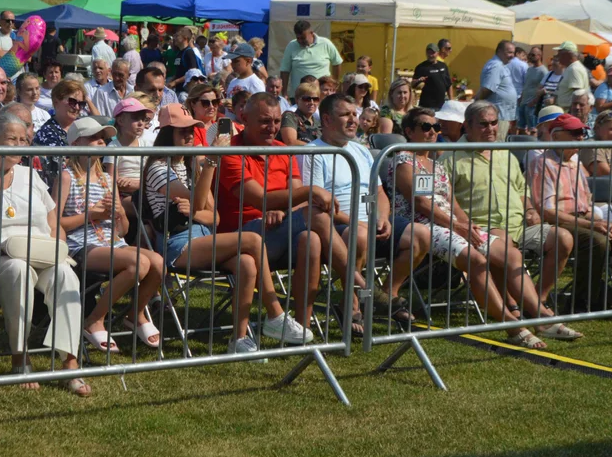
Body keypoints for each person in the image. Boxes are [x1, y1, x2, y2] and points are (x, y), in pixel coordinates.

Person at [0, 113, 89, 394]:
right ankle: (19, 355)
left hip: (39, 251)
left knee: (65, 275)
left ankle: (70, 362)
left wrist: (57, 244)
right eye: (11, 139)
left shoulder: (31, 175)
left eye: (23, 140)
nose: (19, 145)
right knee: (18, 271)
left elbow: (53, 223)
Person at [388, 107, 548, 348]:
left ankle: (540, 314)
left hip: (449, 223)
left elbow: (453, 203)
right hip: (422, 225)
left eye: (436, 127)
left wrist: (467, 224)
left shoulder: (435, 163)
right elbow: (420, 203)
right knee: (477, 260)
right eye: (426, 127)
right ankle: (512, 325)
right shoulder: (403, 160)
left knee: (509, 253)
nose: (433, 132)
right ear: (409, 131)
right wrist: (457, 225)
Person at [144, 103, 283, 353]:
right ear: (167, 134)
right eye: (181, 131)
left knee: (247, 263)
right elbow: (200, 204)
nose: (188, 136)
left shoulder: (191, 167)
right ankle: (275, 315)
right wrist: (211, 161)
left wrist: (198, 208)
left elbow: (214, 217)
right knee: (251, 240)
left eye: (191, 131)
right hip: (177, 244)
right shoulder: (157, 168)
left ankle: (239, 339)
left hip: (204, 238)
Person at [446, 102, 582, 331]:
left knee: (563, 238)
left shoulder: (504, 154)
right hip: (483, 228)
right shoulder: (451, 159)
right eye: (483, 124)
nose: (490, 128)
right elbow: (445, 200)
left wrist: (530, 210)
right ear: (467, 126)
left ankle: (536, 300)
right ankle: (535, 314)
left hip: (519, 224)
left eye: (493, 123)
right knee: (504, 242)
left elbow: (521, 190)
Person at [216, 93, 342, 337]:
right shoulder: (229, 150)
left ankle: (300, 325)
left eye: (276, 121)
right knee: (315, 215)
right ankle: (359, 285)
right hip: (239, 236)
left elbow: (293, 197)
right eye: (264, 121)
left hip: (277, 230)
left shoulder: (282, 149)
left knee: (312, 239)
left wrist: (283, 209)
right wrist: (312, 191)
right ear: (243, 118)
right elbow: (260, 199)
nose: (272, 128)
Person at [303, 94, 431, 325]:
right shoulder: (314, 153)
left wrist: (383, 216)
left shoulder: (361, 150)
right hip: (338, 225)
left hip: (372, 221)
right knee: (360, 236)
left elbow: (379, 192)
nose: (353, 120)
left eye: (355, 114)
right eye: (345, 115)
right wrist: (356, 222)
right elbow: (317, 205)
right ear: (328, 119)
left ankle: (386, 296)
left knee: (421, 235)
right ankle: (352, 303)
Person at [57, 117, 166, 352]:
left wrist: (119, 214)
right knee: (137, 263)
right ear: (75, 144)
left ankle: (134, 314)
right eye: (93, 138)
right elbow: (55, 223)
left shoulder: (107, 179)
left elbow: (123, 231)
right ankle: (94, 320)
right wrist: (90, 215)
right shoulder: (66, 177)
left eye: (102, 138)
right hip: (82, 245)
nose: (100, 142)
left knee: (158, 263)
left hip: (113, 242)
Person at [529, 113, 612, 311]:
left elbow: (585, 206)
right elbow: (547, 212)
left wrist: (605, 224)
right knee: (597, 240)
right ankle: (583, 302)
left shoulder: (576, 163)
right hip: (556, 224)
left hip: (581, 219)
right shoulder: (543, 163)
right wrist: (594, 224)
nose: (580, 137)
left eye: (582, 133)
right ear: (556, 136)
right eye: (575, 133)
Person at [103, 96, 154, 215]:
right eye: (135, 118)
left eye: (143, 119)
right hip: (123, 196)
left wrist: (137, 184)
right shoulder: (113, 148)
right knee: (145, 204)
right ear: (120, 121)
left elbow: (152, 174)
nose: (141, 123)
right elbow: (112, 181)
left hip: (146, 191)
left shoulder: (147, 144)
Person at [33, 78, 87, 189]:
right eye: (72, 102)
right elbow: (56, 168)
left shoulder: (85, 126)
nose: (77, 107)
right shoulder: (46, 133)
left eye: (80, 103)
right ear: (56, 102)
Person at [280, 21, 342, 100]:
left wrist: (334, 83)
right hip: (300, 96)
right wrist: (284, 92)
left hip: (323, 95)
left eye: (303, 38)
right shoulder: (291, 46)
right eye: (298, 38)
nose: (300, 41)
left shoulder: (326, 43)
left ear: (311, 33)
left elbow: (337, 63)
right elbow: (285, 70)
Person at [476, 40, 517, 139]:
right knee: (497, 144)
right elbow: (487, 89)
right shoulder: (496, 66)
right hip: (499, 115)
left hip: (502, 114)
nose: (512, 56)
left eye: (513, 53)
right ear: (499, 51)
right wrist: (476, 105)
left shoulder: (500, 65)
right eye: (509, 52)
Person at [412, 43, 453, 110]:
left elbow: (449, 84)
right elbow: (412, 84)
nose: (430, 55)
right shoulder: (421, 67)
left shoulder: (443, 66)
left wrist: (451, 101)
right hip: (427, 105)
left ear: (437, 53)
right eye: (428, 53)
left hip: (442, 105)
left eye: (433, 53)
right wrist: (418, 81)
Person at [279, 81, 321, 146]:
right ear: (297, 100)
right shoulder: (290, 117)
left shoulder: (318, 123)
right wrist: (318, 149)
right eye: (307, 99)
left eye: (315, 99)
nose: (312, 102)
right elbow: (290, 142)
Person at [518, 47, 548, 134]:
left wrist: (534, 101)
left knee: (533, 129)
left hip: (532, 105)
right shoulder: (529, 69)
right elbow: (526, 85)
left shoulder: (543, 71)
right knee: (521, 127)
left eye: (533, 55)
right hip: (523, 103)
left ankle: (533, 147)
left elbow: (544, 90)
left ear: (539, 56)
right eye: (530, 54)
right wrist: (521, 98)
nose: (530, 56)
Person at [184, 81, 221, 147]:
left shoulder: (221, 126)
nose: (211, 106)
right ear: (193, 105)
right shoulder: (191, 130)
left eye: (215, 102)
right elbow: (199, 157)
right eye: (205, 103)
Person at [553, 42, 589, 109]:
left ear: (568, 54)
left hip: (569, 112)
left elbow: (578, 94)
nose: (557, 56)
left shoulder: (574, 69)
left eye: (560, 53)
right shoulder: (570, 68)